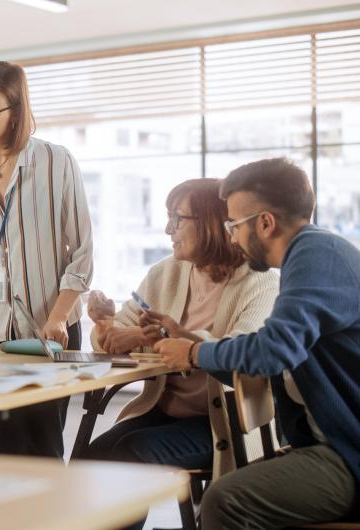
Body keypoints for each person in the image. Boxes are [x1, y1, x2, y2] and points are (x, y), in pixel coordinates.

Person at [155, 159, 359, 529]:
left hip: (347, 453)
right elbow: (270, 343)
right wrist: (195, 345)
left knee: (225, 500)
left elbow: (273, 351)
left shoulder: (316, 257)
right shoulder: (316, 253)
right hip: (332, 443)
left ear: (264, 223)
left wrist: (195, 353)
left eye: (233, 225)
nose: (230, 237)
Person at [85, 179, 278, 529]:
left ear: (210, 224)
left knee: (130, 456)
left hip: (223, 422)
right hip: (166, 412)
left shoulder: (260, 281)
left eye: (177, 219)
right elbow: (108, 344)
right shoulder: (166, 273)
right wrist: (107, 325)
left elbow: (243, 351)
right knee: (91, 458)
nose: (167, 230)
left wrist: (180, 339)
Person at [0, 61, 94, 457]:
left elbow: (82, 251)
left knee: (43, 446)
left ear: (16, 113)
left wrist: (59, 316)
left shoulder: (56, 161)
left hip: (48, 330)